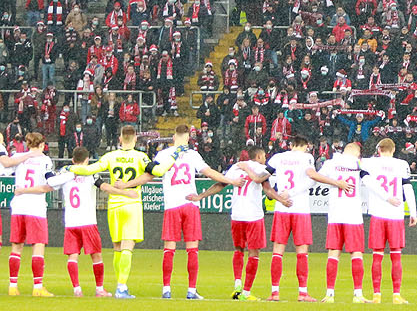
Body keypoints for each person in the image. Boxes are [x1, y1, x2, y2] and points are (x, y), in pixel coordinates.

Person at [18, 146, 124, 297]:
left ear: (73, 160)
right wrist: (123, 191)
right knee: (96, 255)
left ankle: (77, 289)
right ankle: (99, 289)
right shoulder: (91, 174)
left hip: (71, 222)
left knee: (72, 256)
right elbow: (105, 187)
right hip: (88, 221)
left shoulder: (64, 173)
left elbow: (46, 187)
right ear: (87, 160)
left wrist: (24, 190)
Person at [267, 135, 357, 302]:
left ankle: (275, 292)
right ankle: (302, 292)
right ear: (305, 146)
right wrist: (336, 183)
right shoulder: (306, 157)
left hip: (281, 207)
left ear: (291, 145)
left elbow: (263, 176)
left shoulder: (278, 157)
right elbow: (311, 178)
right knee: (301, 251)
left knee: (278, 251)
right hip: (299, 208)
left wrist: (278, 194)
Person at [188, 145, 284, 300]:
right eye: (264, 156)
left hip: (237, 215)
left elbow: (220, 184)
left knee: (239, 250)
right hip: (253, 216)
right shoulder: (261, 168)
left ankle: (237, 285)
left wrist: (201, 196)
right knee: (254, 253)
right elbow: (268, 191)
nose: (265, 159)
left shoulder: (235, 167)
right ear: (258, 156)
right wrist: (282, 200)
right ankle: (246, 293)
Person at [152, 124, 236, 300]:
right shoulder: (192, 155)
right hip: (190, 204)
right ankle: (191, 290)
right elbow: (210, 173)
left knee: (169, 249)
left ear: (174, 137)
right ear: (188, 138)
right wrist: (230, 180)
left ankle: (166, 289)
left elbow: (151, 173)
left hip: (172, 205)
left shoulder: (164, 154)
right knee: (192, 249)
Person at [71, 123, 153, 298]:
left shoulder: (110, 156)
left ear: (120, 138)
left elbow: (89, 169)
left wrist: (71, 169)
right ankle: (121, 287)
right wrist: (128, 186)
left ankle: (120, 285)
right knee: (128, 246)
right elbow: (151, 173)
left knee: (117, 247)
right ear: (136, 138)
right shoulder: (141, 157)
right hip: (131, 203)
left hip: (114, 205)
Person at [360, 138, 417, 304]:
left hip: (378, 213)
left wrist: (386, 197)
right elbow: (408, 188)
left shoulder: (369, 163)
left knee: (377, 256)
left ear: (379, 150)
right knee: (396, 256)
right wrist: (413, 211)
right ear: (393, 150)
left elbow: (367, 181)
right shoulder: (401, 164)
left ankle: (376, 295)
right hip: (396, 215)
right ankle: (396, 295)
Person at [2, 135, 55, 297]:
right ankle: (37, 287)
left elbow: (5, 163)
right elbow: (50, 183)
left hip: (18, 206)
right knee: (38, 245)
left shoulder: (18, 157)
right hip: (35, 207)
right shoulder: (45, 160)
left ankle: (12, 286)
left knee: (16, 246)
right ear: (43, 144)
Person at [318, 141, 368, 302]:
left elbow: (318, 177)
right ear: (357, 153)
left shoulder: (331, 162)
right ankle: (358, 295)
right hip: (353, 214)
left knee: (333, 253)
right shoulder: (359, 163)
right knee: (356, 253)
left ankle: (329, 294)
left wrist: (335, 183)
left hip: (335, 214)